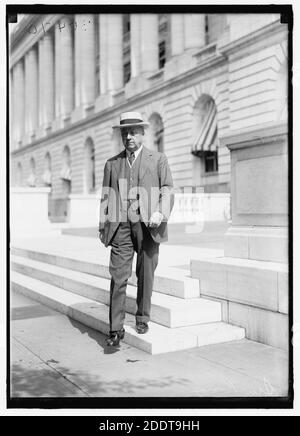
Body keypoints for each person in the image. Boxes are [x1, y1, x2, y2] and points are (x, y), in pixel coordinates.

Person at [99, 111, 174, 346]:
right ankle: (115, 329)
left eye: (133, 132)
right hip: (120, 226)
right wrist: (104, 228)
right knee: (118, 275)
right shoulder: (112, 164)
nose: (128, 137)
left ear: (143, 133)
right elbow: (105, 198)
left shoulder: (158, 159)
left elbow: (168, 189)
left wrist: (160, 212)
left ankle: (142, 317)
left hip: (148, 225)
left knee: (145, 273)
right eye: (124, 133)